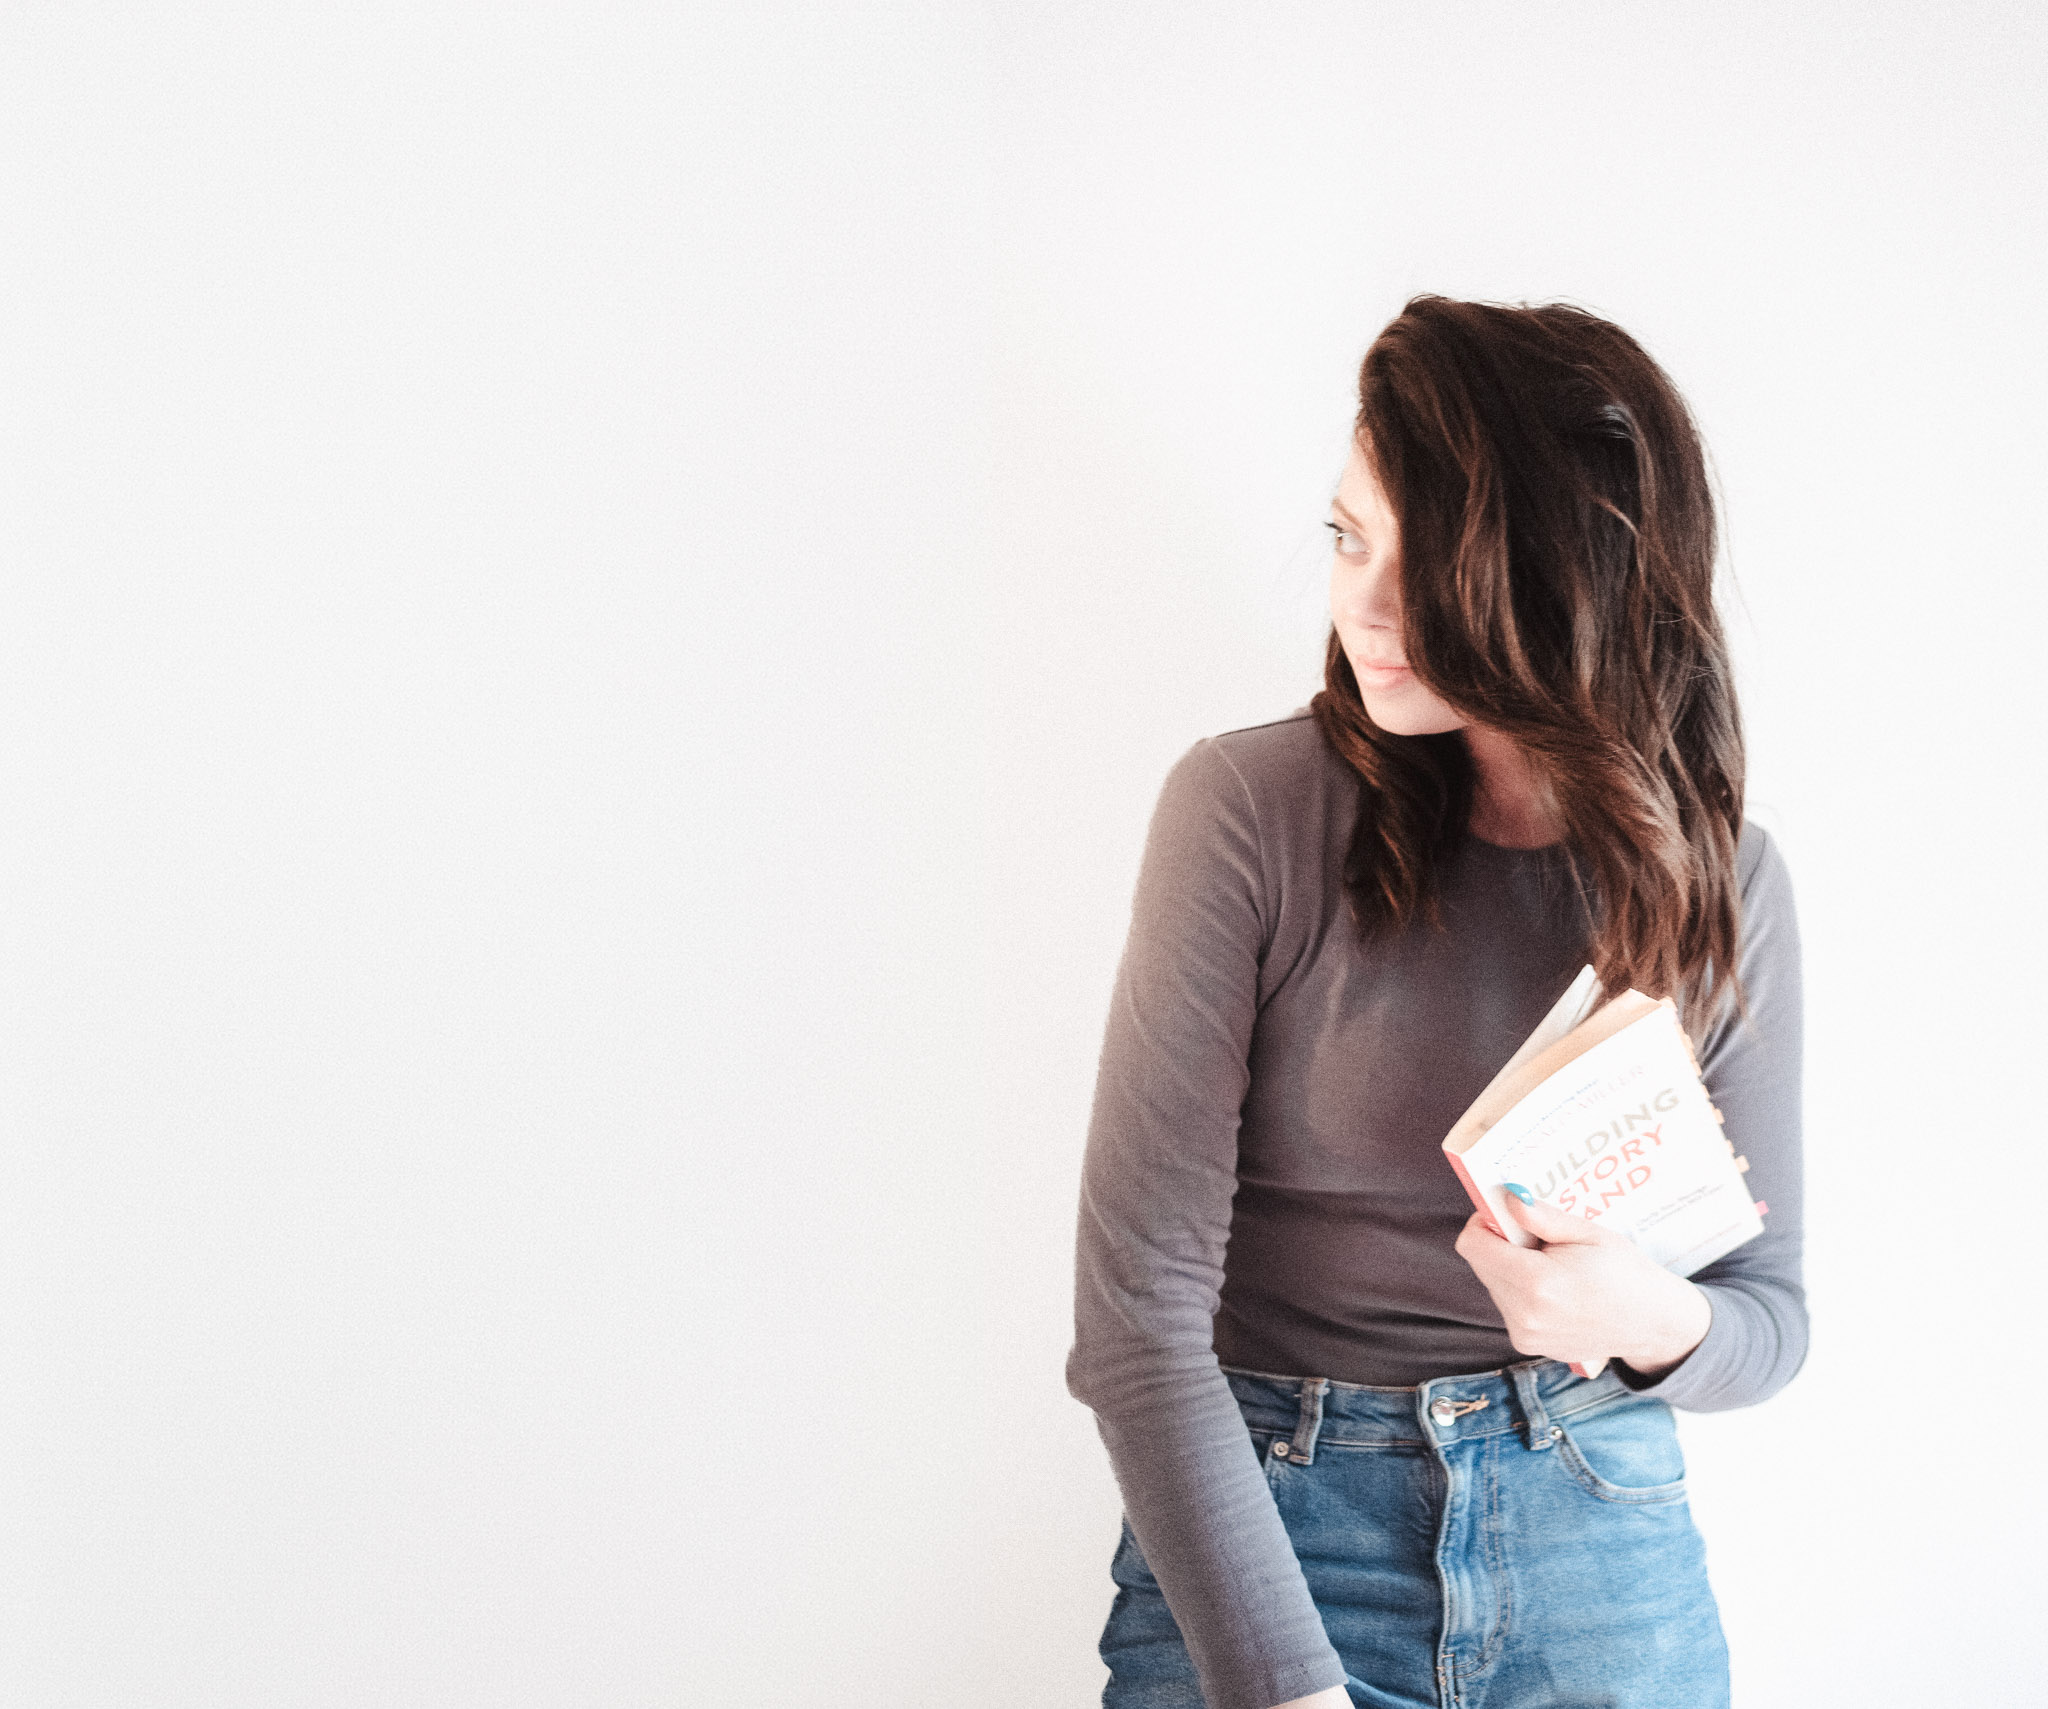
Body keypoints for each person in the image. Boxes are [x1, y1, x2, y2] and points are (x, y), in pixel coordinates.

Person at [1065, 295, 1804, 1709]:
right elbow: (1135, 1322)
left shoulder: (1727, 883)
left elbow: (1772, 1317)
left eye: (1434, 560)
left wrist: (1645, 1309)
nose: (1366, 605)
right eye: (1351, 537)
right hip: (1272, 1528)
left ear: (1565, 569)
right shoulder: (1247, 811)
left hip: (1600, 1539)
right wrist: (1287, 1687)